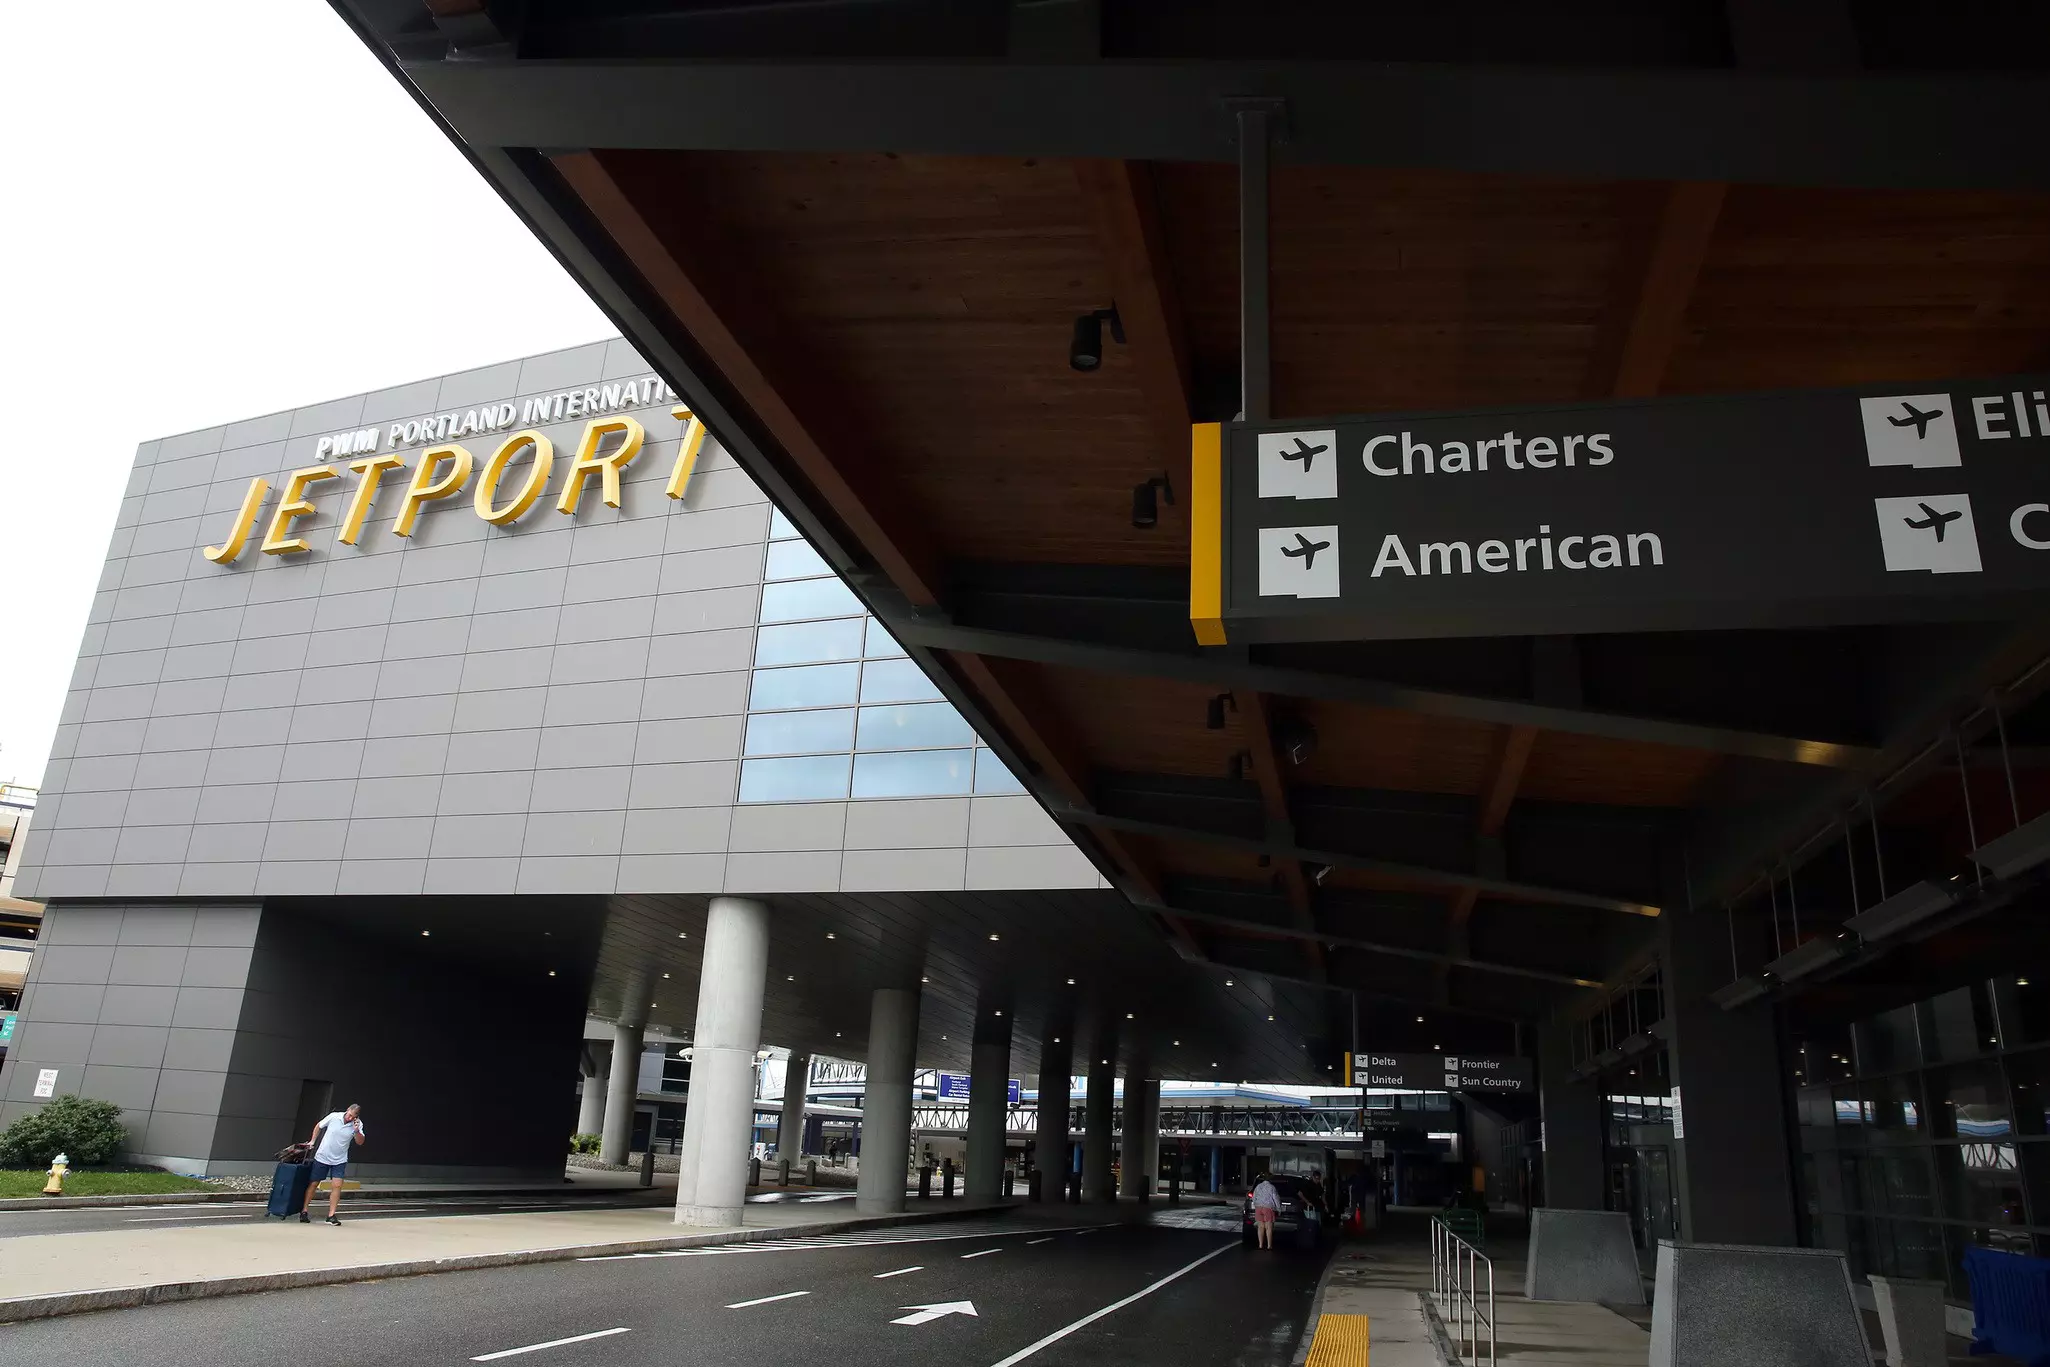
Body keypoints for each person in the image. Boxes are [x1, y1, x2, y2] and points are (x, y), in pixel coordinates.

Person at [301, 1103, 365, 1225]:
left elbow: (360, 1142)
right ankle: (304, 1210)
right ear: (347, 1110)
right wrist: (313, 1141)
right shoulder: (334, 1117)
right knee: (314, 1183)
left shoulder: (358, 1124)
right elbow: (319, 1126)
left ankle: (331, 1215)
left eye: (353, 1117)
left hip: (340, 1159)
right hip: (323, 1156)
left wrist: (356, 1131)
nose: (350, 1118)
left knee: (337, 1185)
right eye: (349, 1115)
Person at [1250, 1172, 1281, 1250]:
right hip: (1268, 1208)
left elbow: (1254, 1197)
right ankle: (1269, 1246)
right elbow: (1276, 1199)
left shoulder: (1258, 1186)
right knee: (1268, 1227)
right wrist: (1279, 1208)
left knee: (1260, 1227)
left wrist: (1256, 1204)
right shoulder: (1272, 1187)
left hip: (1258, 1207)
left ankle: (1260, 1245)